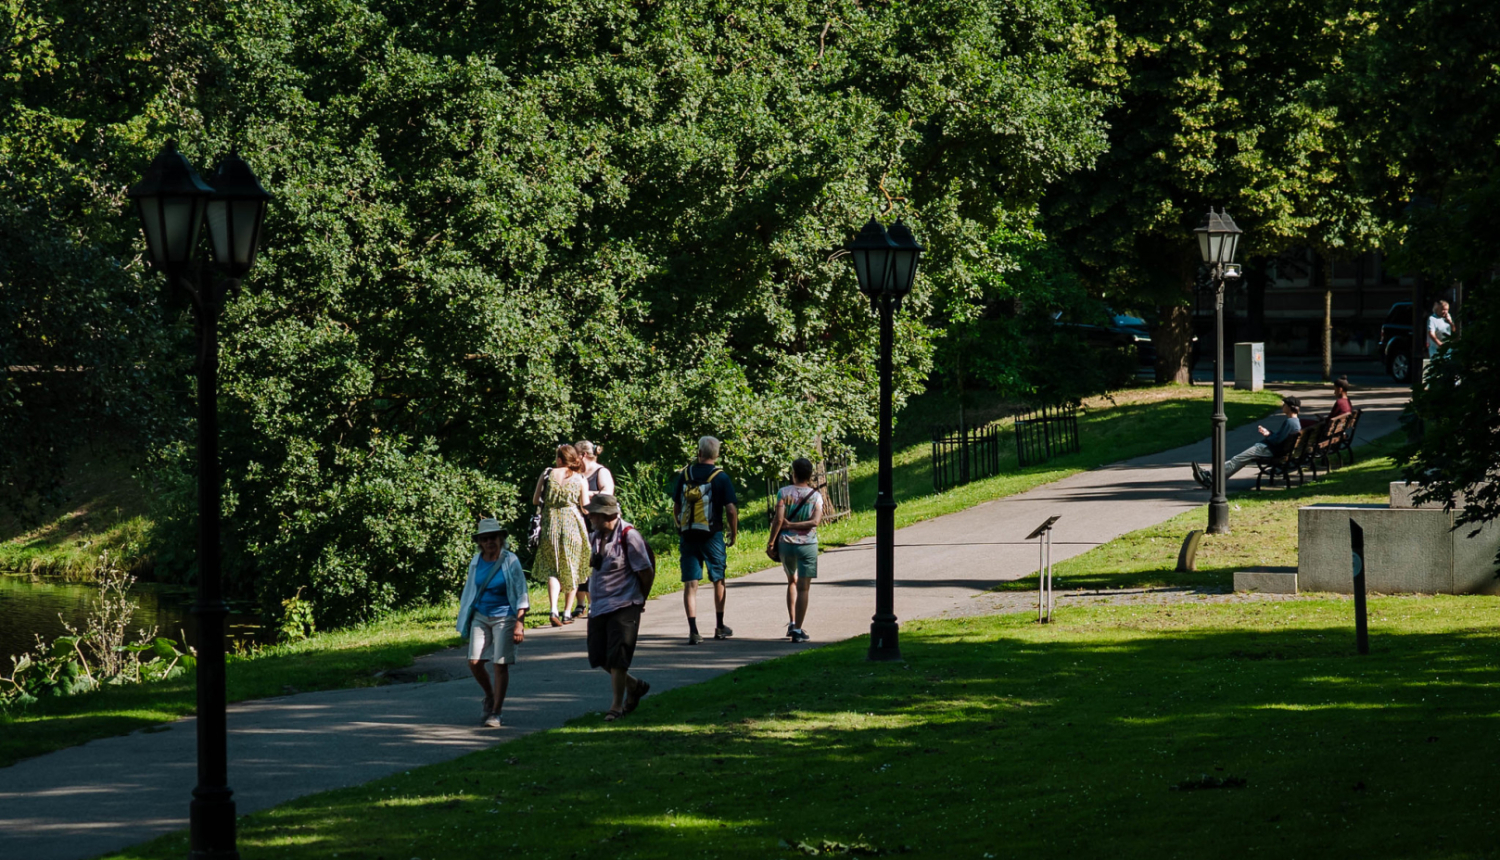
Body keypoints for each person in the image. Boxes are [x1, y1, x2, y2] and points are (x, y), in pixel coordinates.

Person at [582, 493, 653, 722]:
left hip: (625, 603)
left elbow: (645, 571)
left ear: (608, 515)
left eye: (594, 513)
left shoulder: (629, 536)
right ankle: (635, 686)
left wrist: (641, 598)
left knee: (618, 657)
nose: (590, 516)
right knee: (599, 655)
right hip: (600, 606)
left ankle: (616, 707)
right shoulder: (596, 536)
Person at [455, 518, 529, 728]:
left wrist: (519, 623)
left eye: (493, 538)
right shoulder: (476, 561)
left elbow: (521, 591)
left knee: (500, 663)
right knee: (474, 661)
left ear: (501, 539)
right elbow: (470, 590)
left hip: (505, 615)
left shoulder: (510, 560)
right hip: (481, 614)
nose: (489, 542)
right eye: (485, 539)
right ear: (479, 542)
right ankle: (489, 695)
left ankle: (496, 712)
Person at [669, 435, 739, 644]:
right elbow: (731, 509)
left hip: (689, 534)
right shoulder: (720, 477)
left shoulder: (685, 474)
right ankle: (719, 627)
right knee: (718, 578)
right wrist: (733, 532)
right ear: (716, 455)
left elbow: (676, 506)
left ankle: (693, 630)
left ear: (699, 453)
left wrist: (680, 526)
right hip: (712, 534)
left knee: (691, 583)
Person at [532, 443, 590, 626]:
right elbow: (585, 507)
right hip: (572, 523)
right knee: (572, 565)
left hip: (551, 524)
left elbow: (536, 500)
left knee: (553, 568)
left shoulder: (547, 473)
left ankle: (553, 609)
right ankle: (566, 612)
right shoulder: (580, 478)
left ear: (559, 459)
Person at [1191, 395, 1302, 488]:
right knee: (1239, 459)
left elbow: (1277, 440)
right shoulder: (1295, 422)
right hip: (1273, 449)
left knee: (1238, 459)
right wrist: (1269, 433)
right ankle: (1211, 476)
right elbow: (1280, 437)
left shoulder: (1290, 422)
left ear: (1289, 407)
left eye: (1284, 404)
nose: (1282, 406)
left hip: (1268, 449)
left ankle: (1210, 477)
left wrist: (1268, 436)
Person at [771, 457, 823, 643]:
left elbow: (778, 520)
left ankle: (792, 622)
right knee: (804, 587)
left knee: (791, 581)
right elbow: (815, 522)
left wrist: (771, 543)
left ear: (794, 473)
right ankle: (798, 630)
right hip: (808, 545)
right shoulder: (816, 496)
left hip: (786, 543)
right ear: (809, 475)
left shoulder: (783, 493)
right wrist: (797, 524)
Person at [572, 439, 615, 619]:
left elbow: (607, 493)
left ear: (582, 455)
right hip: (576, 522)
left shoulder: (600, 471)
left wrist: (585, 494)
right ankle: (580, 603)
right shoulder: (574, 473)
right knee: (577, 562)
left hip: (595, 523)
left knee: (593, 561)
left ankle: (594, 602)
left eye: (575, 454)